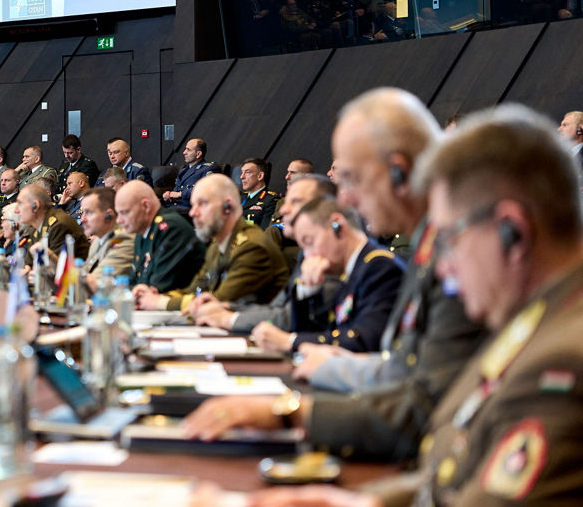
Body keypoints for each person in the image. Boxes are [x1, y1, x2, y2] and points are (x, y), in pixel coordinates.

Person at [154, 104, 583, 507]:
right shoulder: (538, 324)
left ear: (512, 230)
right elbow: (460, 463)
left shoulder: (562, 359)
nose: (442, 270)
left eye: (449, 240)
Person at [182, 88, 485, 461]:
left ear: (399, 170)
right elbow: (404, 368)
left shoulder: (456, 252)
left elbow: (423, 403)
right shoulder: (430, 245)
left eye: (352, 180)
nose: (347, 200)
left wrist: (289, 413)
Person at [249, 197, 404, 354]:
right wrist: (308, 292)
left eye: (310, 242)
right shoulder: (352, 268)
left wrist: (290, 341)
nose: (309, 256)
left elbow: (364, 341)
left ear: (337, 226)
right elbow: (323, 332)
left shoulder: (379, 267)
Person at [190, 174, 339, 335]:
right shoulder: (307, 254)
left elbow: (288, 318)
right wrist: (229, 308)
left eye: (295, 202)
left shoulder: (330, 257)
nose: (283, 209)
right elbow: (276, 308)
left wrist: (228, 318)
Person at [136, 173, 289, 311]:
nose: (192, 212)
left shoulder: (252, 247)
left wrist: (160, 303)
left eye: (201, 204)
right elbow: (195, 290)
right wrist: (154, 296)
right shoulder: (217, 245)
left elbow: (218, 303)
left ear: (227, 207)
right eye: (193, 204)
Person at [115, 179, 203, 292]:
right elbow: (135, 280)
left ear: (146, 206)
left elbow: (158, 287)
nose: (119, 220)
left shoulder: (170, 228)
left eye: (124, 213)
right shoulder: (142, 230)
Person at [78, 186, 133, 293]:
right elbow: (84, 274)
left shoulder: (123, 239)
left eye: (88, 212)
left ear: (109, 215)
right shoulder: (98, 240)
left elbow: (95, 283)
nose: (82, 219)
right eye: (82, 212)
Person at [15, 182, 86, 262]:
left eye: (20, 203)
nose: (16, 210)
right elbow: (29, 262)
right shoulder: (34, 225)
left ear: (36, 206)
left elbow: (57, 268)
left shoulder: (59, 225)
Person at [163, 138, 213, 211]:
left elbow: (205, 190)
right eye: (185, 149)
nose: (184, 152)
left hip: (191, 209)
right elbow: (177, 189)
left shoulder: (208, 168)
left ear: (198, 154)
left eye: (188, 150)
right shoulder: (183, 170)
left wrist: (179, 194)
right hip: (175, 206)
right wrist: (169, 194)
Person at [238, 157, 280, 228]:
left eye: (247, 172)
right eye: (242, 172)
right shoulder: (239, 198)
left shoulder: (270, 201)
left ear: (260, 176)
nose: (242, 176)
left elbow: (264, 233)